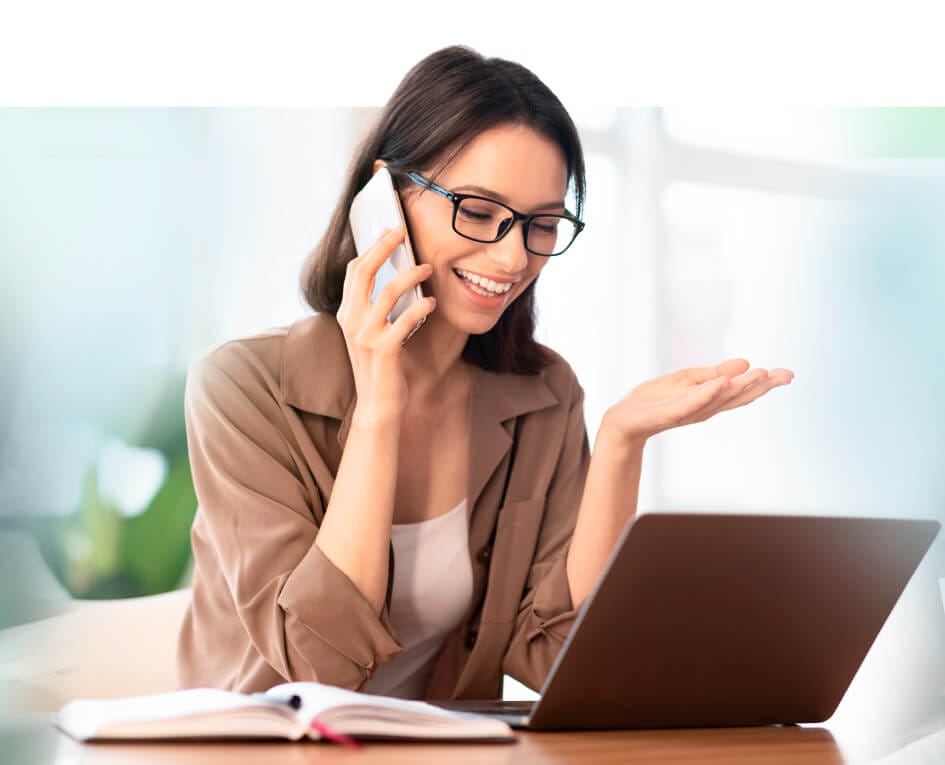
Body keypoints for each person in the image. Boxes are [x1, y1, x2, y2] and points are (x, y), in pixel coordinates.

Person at [176, 45, 794, 701]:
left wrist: (619, 441)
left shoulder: (543, 397)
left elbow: (554, 656)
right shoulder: (240, 387)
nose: (510, 256)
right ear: (384, 198)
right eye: (476, 211)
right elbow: (318, 666)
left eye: (542, 224)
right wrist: (380, 405)